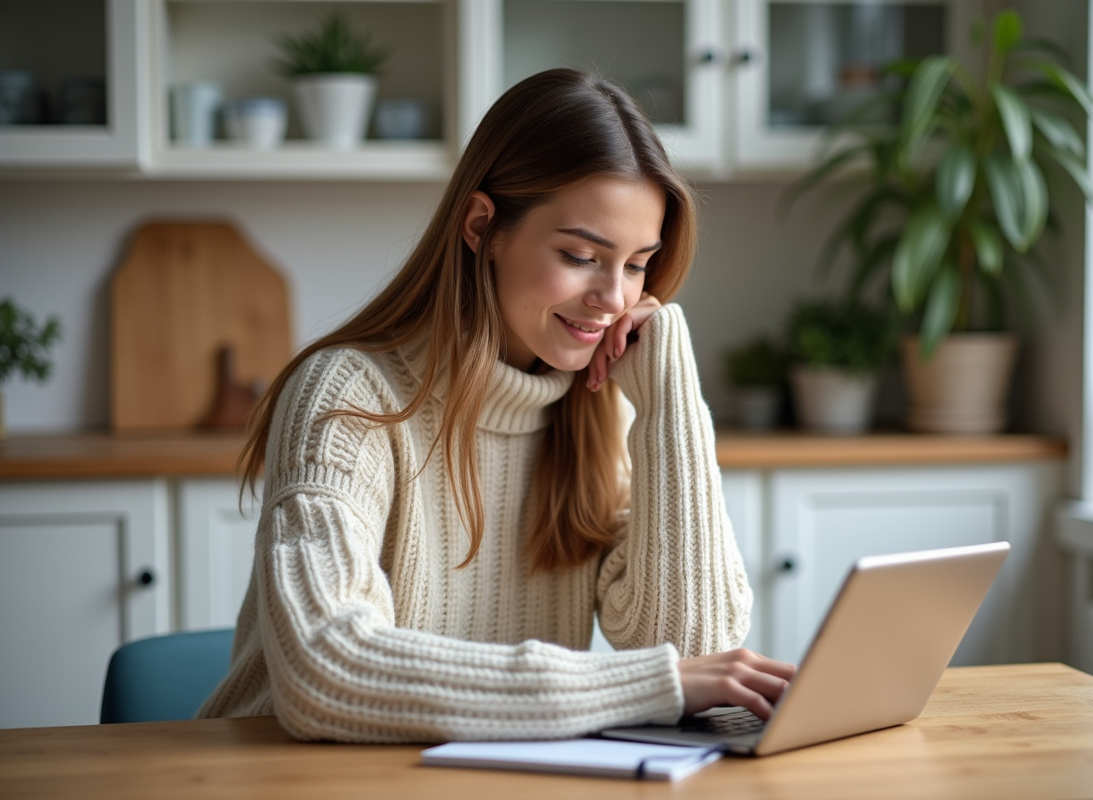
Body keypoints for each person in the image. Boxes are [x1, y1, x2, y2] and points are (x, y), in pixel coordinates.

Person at [197, 68, 795, 743]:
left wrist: (669, 400)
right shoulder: (348, 397)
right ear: (483, 227)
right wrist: (648, 688)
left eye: (636, 265)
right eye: (580, 255)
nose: (615, 298)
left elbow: (689, 646)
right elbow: (325, 673)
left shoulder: (599, 411)